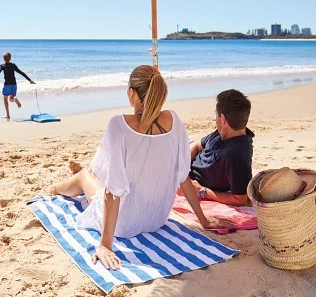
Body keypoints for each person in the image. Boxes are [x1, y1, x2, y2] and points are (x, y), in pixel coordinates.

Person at [48, 65, 226, 270]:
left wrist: (105, 245)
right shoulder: (174, 121)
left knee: (85, 174)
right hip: (157, 218)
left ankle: (54, 190)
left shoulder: (119, 126)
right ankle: (62, 185)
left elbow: (111, 193)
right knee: (97, 174)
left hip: (124, 224)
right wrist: (202, 220)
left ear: (131, 93)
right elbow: (183, 177)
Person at [185, 89, 254, 206]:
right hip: (186, 166)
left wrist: (201, 191)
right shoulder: (222, 133)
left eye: (216, 115)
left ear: (223, 119)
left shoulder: (236, 156)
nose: (215, 119)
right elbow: (197, 145)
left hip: (192, 183)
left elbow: (241, 199)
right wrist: (182, 166)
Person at [0, 51, 35, 120]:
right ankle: (14, 99)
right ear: (10, 58)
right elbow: (21, 73)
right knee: (11, 99)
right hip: (14, 84)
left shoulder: (2, 66)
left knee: (5, 99)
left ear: (3, 59)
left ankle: (8, 115)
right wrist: (29, 80)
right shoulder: (13, 65)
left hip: (7, 85)